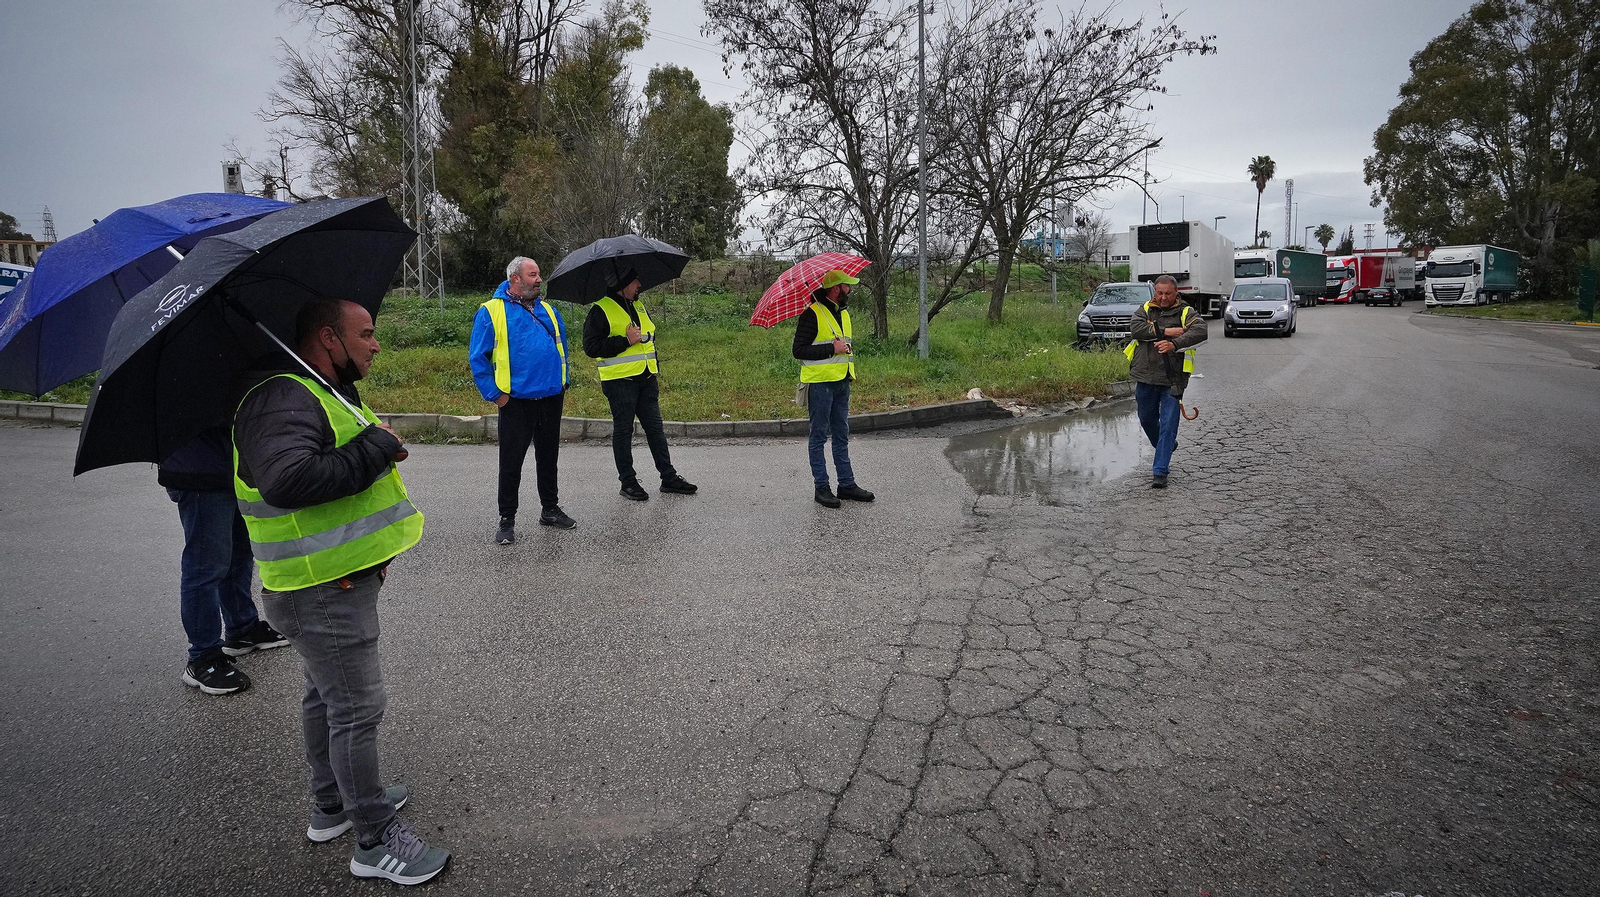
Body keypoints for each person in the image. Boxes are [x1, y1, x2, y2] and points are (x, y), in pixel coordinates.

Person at [233, 297, 450, 886]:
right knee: (356, 708)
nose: (376, 344)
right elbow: (289, 480)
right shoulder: (281, 397)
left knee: (325, 697)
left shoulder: (319, 391)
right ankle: (374, 840)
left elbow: (339, 473)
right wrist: (375, 445)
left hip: (330, 580)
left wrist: (373, 448)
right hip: (320, 588)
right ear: (329, 339)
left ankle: (331, 805)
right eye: (367, 334)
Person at [159, 427, 288, 695]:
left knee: (239, 554)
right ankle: (202, 656)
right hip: (198, 472)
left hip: (230, 468)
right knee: (205, 566)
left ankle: (242, 628)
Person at [469, 256, 576, 543]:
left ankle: (550, 509)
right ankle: (507, 519)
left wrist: (562, 382)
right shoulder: (491, 311)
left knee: (548, 457)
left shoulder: (549, 310)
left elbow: (562, 348)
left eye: (539, 274)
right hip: (515, 401)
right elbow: (478, 358)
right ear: (515, 278)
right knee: (511, 461)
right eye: (533, 274)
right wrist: (496, 396)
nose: (539, 279)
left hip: (551, 396)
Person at [582, 270, 697, 501]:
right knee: (624, 431)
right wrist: (625, 341)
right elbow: (591, 347)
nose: (640, 284)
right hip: (620, 382)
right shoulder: (600, 310)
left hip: (646, 379)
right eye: (635, 281)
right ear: (622, 284)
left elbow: (648, 339)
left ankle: (669, 477)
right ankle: (628, 482)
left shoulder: (639, 306)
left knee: (655, 430)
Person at [793, 269, 874, 508]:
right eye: (847, 286)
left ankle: (846, 484)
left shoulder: (844, 313)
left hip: (842, 382)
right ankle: (822, 488)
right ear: (836, 288)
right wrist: (832, 349)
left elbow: (844, 346)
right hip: (819, 384)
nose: (850, 289)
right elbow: (799, 350)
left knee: (841, 435)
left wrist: (842, 353)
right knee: (818, 437)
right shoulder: (812, 314)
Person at [1127, 275, 1207, 488]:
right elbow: (1136, 329)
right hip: (1145, 374)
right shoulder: (1145, 309)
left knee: (1169, 425)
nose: (1163, 298)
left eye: (1168, 294)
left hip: (1173, 377)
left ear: (1176, 293)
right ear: (1155, 292)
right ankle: (1167, 446)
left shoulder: (1186, 312)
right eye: (1159, 293)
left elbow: (1200, 331)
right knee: (1146, 419)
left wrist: (1174, 343)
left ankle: (1160, 471)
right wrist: (1164, 332)